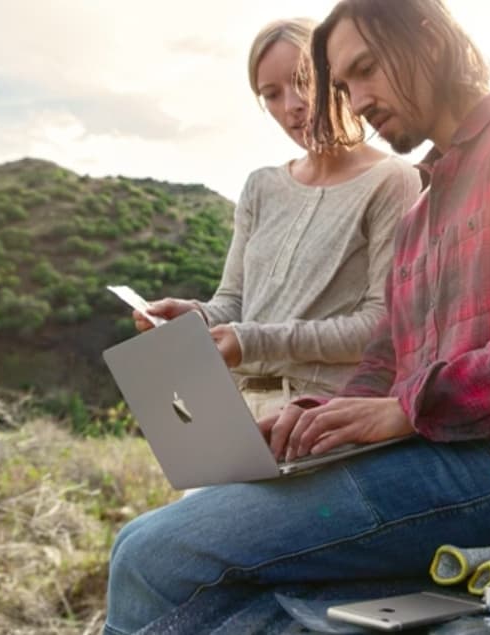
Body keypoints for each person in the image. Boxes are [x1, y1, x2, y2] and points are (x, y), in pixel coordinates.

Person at [103, 2, 490, 633]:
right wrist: (323, 418)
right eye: (344, 86)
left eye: (366, 69)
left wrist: (409, 408)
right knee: (216, 601)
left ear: (430, 41)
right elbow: (387, 356)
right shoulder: (421, 210)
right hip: (434, 453)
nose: (355, 102)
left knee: (148, 554)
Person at [133, 17, 421, 422]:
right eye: (271, 94)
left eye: (302, 80)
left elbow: (379, 327)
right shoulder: (260, 187)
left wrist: (251, 342)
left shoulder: (392, 181)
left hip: (319, 410)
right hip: (232, 406)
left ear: (333, 75)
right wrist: (198, 316)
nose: (291, 106)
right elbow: (234, 303)